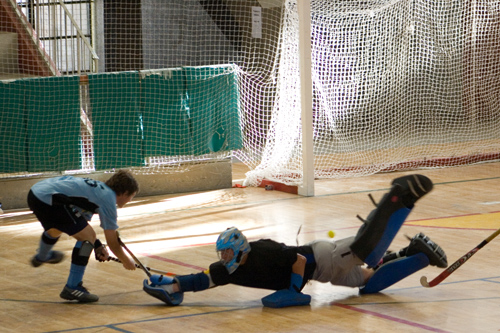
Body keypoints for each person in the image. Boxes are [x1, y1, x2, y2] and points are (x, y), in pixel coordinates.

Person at [143, 174, 448, 308]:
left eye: (225, 253)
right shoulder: (229, 270)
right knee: (368, 283)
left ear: (237, 249)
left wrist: (293, 290)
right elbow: (202, 280)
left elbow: (299, 261)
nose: (222, 259)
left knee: (365, 249)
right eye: (221, 255)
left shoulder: (263, 251)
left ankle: (400, 197)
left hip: (323, 258)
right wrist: (172, 283)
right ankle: (418, 254)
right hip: (325, 273)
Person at [28, 170, 139, 302]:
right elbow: (112, 242)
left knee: (57, 228)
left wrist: (97, 246)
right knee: (86, 238)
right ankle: (73, 287)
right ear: (125, 193)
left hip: (36, 194)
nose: (130, 200)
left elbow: (80, 225)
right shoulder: (108, 199)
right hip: (50, 198)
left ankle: (42, 256)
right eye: (132, 196)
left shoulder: (96, 191)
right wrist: (126, 261)